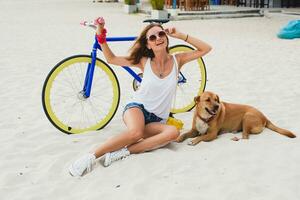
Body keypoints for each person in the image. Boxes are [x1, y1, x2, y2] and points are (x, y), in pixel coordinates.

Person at [69, 17, 212, 177]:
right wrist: (100, 34)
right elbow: (112, 59)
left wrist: (181, 35)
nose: (158, 38)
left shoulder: (178, 60)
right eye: (152, 37)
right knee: (136, 132)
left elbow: (206, 48)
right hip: (136, 108)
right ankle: (90, 156)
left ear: (166, 37)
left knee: (173, 133)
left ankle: (124, 152)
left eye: (160, 34)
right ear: (148, 45)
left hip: (157, 120)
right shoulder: (144, 61)